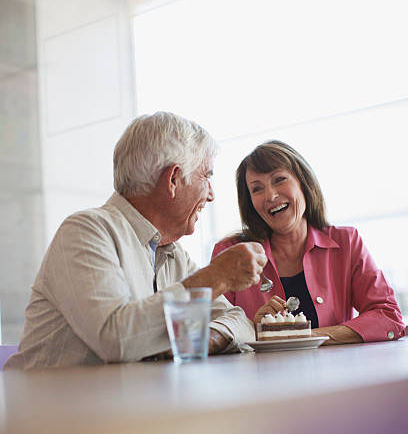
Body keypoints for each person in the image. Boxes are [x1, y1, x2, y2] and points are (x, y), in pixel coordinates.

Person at [7, 112, 267, 369]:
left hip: (129, 404)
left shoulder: (172, 253)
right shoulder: (86, 231)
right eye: (207, 176)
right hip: (54, 409)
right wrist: (217, 277)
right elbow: (116, 341)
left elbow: (241, 323)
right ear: (173, 179)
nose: (211, 195)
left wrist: (212, 336)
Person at [212, 140, 405, 345]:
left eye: (279, 179)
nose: (270, 195)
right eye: (257, 189)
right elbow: (212, 334)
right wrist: (252, 330)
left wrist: (307, 336)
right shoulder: (230, 253)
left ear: (303, 183)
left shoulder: (346, 242)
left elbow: (388, 317)